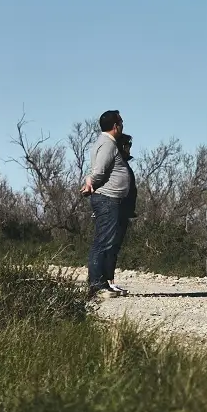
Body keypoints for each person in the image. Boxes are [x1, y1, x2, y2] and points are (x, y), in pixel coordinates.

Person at [80, 109, 131, 298]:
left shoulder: (106, 144)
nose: (123, 126)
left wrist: (89, 180)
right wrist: (91, 182)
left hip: (111, 200)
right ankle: (96, 285)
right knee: (102, 241)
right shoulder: (108, 144)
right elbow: (100, 170)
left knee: (107, 242)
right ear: (115, 126)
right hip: (107, 199)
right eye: (121, 122)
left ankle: (103, 283)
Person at [105, 133, 138, 295]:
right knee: (109, 245)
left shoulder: (123, 163)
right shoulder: (116, 162)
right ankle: (106, 282)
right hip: (113, 208)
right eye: (126, 145)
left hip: (123, 210)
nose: (129, 148)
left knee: (115, 246)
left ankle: (109, 281)